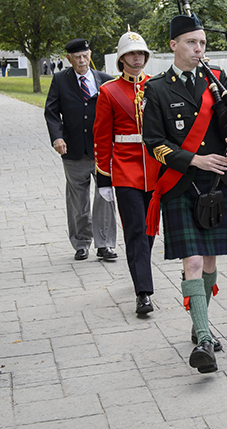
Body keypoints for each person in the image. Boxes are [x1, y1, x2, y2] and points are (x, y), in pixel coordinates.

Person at [142, 13, 227, 373]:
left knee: (209, 261)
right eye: (192, 42)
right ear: (174, 45)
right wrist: (194, 160)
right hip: (181, 184)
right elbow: (154, 143)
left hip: (217, 185)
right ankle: (205, 338)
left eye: (203, 43)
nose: (199, 49)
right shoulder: (157, 89)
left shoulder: (218, 81)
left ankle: (199, 326)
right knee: (192, 262)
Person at [94, 32, 161, 315]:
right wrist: (104, 177)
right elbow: (101, 136)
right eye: (132, 54)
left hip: (156, 169)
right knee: (135, 231)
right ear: (122, 59)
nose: (137, 58)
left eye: (141, 54)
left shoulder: (156, 87)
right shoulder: (109, 91)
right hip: (125, 170)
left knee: (149, 231)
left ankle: (138, 267)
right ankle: (143, 292)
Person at [45, 38, 118, 261]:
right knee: (77, 200)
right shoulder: (60, 80)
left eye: (85, 55)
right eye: (77, 57)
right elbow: (51, 112)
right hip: (73, 149)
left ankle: (105, 244)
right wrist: (57, 138)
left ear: (90, 55)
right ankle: (81, 243)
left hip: (102, 150)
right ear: (68, 59)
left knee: (105, 196)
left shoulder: (105, 80)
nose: (82, 60)